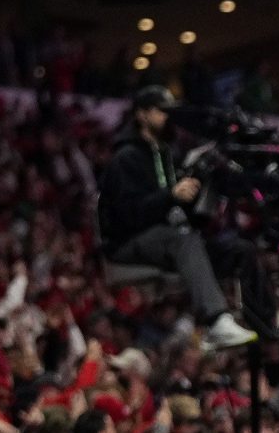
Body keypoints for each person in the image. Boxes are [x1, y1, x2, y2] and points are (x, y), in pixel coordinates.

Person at [97, 84, 256, 352]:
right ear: (142, 115)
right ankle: (216, 321)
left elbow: (179, 212)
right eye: (162, 112)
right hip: (129, 239)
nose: (170, 118)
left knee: (239, 249)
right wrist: (171, 195)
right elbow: (127, 215)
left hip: (166, 235)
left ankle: (261, 322)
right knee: (183, 240)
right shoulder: (125, 158)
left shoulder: (170, 154)